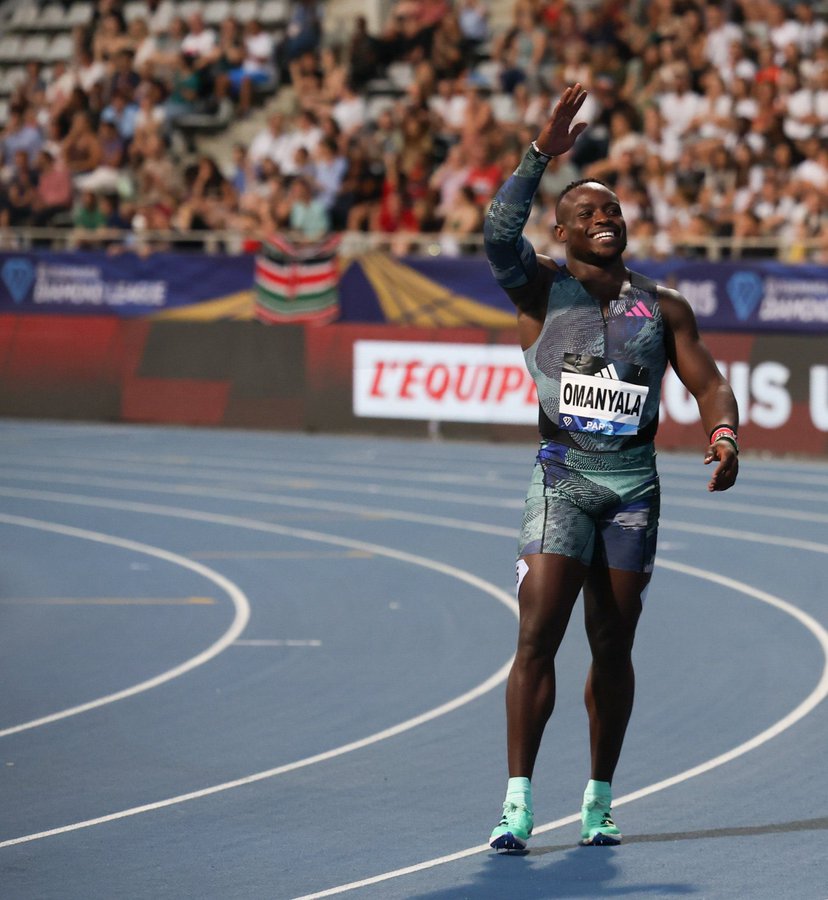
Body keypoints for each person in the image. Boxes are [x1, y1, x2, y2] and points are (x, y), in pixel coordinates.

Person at [483, 84, 740, 852]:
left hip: (632, 488)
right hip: (562, 477)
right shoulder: (538, 288)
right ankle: (518, 804)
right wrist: (540, 156)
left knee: (613, 643)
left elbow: (708, 380)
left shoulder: (662, 308)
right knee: (537, 636)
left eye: (614, 212)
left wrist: (723, 430)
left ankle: (599, 797)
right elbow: (498, 231)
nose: (605, 220)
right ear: (559, 231)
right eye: (588, 213)